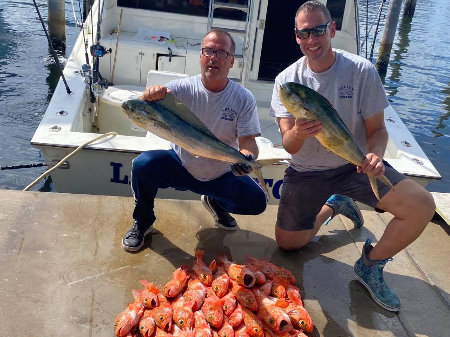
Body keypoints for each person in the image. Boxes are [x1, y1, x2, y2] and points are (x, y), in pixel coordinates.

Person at [270, 1, 435, 312]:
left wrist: (374, 155)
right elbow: (289, 145)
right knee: (289, 244)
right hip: (305, 170)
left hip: (352, 165)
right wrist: (297, 133)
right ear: (296, 37)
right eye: (304, 33)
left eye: (318, 30)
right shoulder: (286, 81)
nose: (312, 39)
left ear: (332, 30)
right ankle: (334, 207)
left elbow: (377, 129)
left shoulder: (361, 70)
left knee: (421, 205)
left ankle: (370, 264)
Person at [122, 28, 267, 252]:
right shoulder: (180, 89)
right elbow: (138, 106)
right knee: (143, 165)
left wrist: (247, 159)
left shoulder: (243, 98)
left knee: (257, 202)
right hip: (182, 165)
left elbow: (248, 143)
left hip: (220, 172)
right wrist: (148, 95)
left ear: (231, 62)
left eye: (222, 53)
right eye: (208, 51)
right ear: (200, 57)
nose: (214, 57)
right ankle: (143, 222)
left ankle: (215, 202)